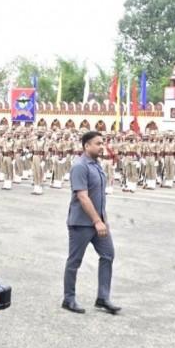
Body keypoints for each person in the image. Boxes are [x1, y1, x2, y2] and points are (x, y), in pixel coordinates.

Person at [62, 131, 120, 315]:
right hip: (81, 223)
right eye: (98, 143)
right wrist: (97, 221)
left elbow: (99, 197)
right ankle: (68, 299)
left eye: (102, 143)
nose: (102, 146)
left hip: (98, 222)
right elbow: (82, 196)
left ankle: (103, 297)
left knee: (108, 255)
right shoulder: (80, 166)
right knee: (74, 261)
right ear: (87, 146)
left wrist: (104, 220)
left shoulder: (97, 165)